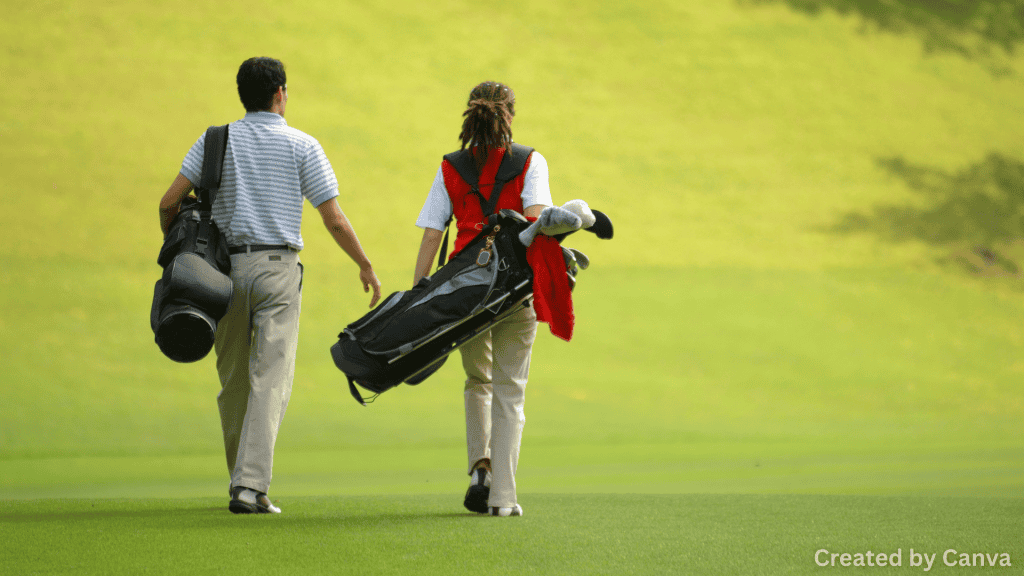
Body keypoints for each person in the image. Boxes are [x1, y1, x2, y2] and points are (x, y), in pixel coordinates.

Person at [158, 57, 382, 514]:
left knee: (234, 379)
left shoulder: (214, 140)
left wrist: (184, 254)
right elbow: (333, 218)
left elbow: (169, 203)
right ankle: (250, 486)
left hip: (218, 273)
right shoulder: (303, 144)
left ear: (243, 94)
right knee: (271, 379)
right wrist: (364, 264)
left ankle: (241, 482)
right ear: (280, 92)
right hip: (279, 268)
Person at [412, 81, 552, 517]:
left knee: (479, 382)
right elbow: (536, 223)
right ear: (510, 114)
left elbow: (434, 234)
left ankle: (480, 467)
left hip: (465, 293)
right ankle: (504, 498)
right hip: (514, 289)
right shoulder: (530, 161)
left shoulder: (451, 165)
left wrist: (418, 292)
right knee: (511, 392)